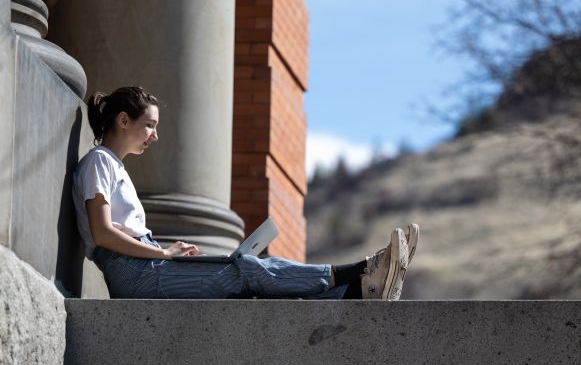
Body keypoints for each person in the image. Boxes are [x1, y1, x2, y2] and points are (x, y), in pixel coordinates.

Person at [72, 86, 419, 300]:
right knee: (247, 270)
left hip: (143, 265)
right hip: (131, 273)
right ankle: (361, 270)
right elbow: (103, 233)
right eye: (150, 125)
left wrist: (165, 251)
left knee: (253, 281)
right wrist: (161, 253)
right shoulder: (100, 161)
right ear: (122, 120)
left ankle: (357, 292)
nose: (155, 136)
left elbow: (120, 230)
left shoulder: (113, 166)